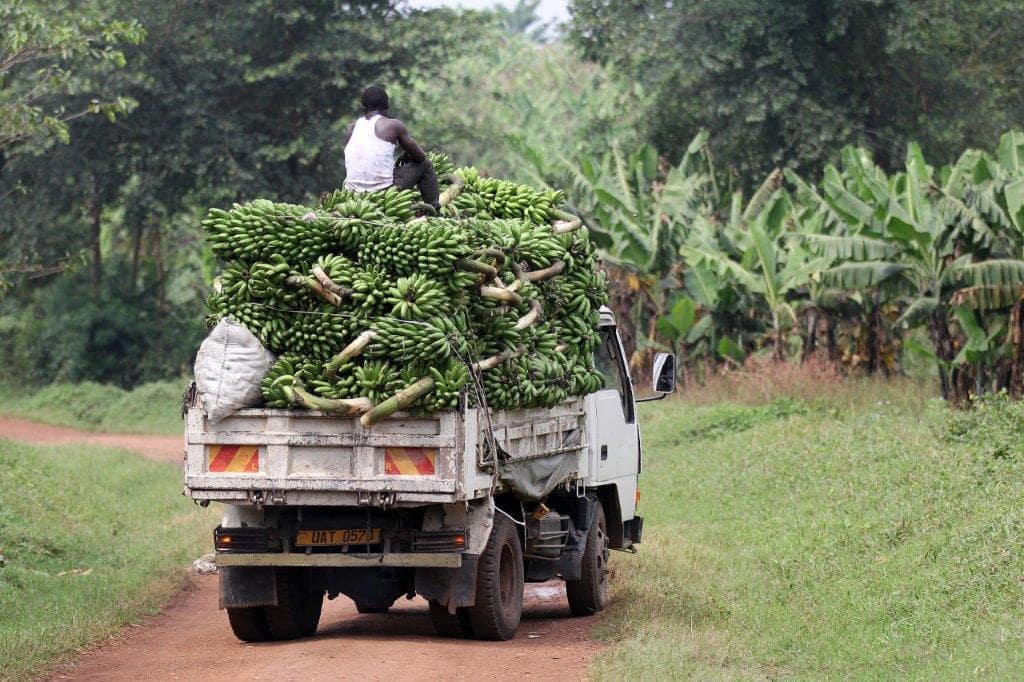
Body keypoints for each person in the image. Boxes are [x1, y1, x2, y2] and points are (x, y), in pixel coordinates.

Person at [343, 85, 439, 211]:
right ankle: (434, 209)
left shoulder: (350, 129)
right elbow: (420, 157)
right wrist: (408, 153)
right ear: (387, 105)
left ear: (363, 108)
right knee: (426, 164)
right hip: (384, 193)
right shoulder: (393, 125)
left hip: (353, 195)